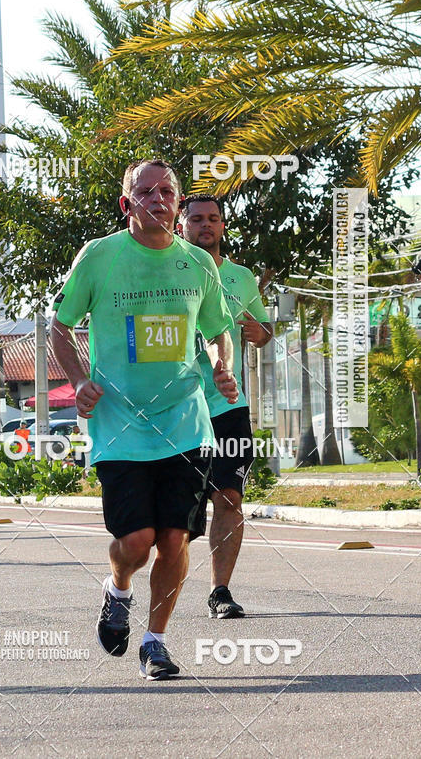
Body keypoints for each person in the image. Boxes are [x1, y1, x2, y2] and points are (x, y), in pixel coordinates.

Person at [51, 159, 238, 680]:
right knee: (136, 541)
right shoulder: (100, 257)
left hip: (185, 423)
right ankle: (118, 589)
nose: (158, 199)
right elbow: (60, 328)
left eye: (168, 192)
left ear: (179, 204)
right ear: (126, 203)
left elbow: (218, 329)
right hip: (120, 423)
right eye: (146, 191)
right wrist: (81, 380)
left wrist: (220, 364)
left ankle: (155, 641)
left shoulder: (199, 265)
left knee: (174, 540)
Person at [180, 194, 273, 618]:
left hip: (229, 407)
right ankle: (162, 584)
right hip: (177, 408)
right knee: (179, 511)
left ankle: (220, 592)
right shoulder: (167, 273)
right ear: (182, 226)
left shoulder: (241, 277)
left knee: (230, 497)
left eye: (213, 219)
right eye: (196, 219)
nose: (206, 225)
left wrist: (259, 331)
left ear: (222, 226)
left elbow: (263, 329)